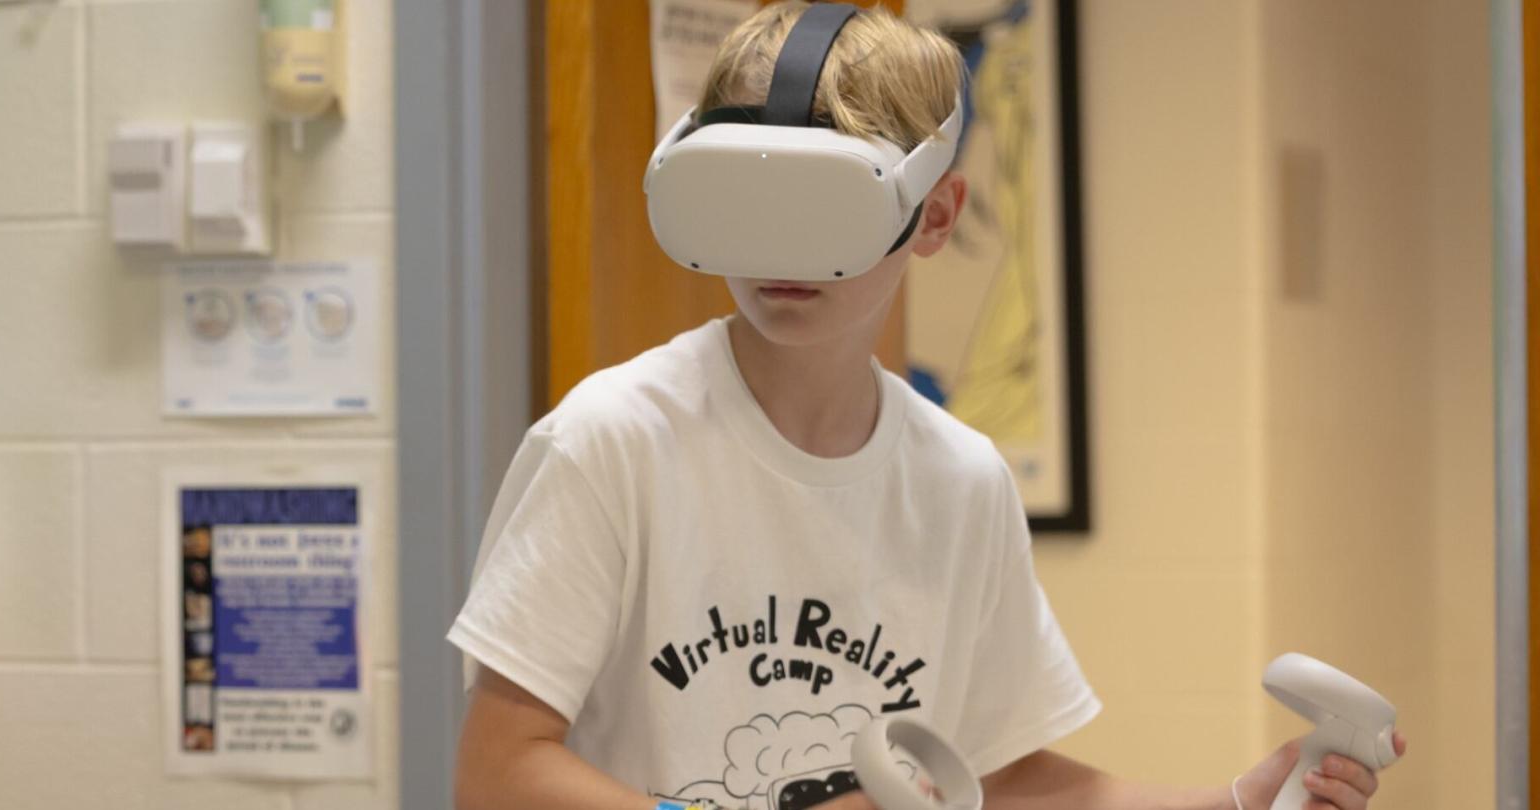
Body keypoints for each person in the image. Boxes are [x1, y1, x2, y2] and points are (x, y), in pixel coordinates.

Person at [446, 4, 1405, 810]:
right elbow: (498, 769)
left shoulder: (960, 482)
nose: (780, 251)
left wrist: (1239, 802)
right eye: (745, 198)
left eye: (825, 205)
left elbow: (1009, 778)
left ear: (934, 216)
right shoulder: (612, 441)